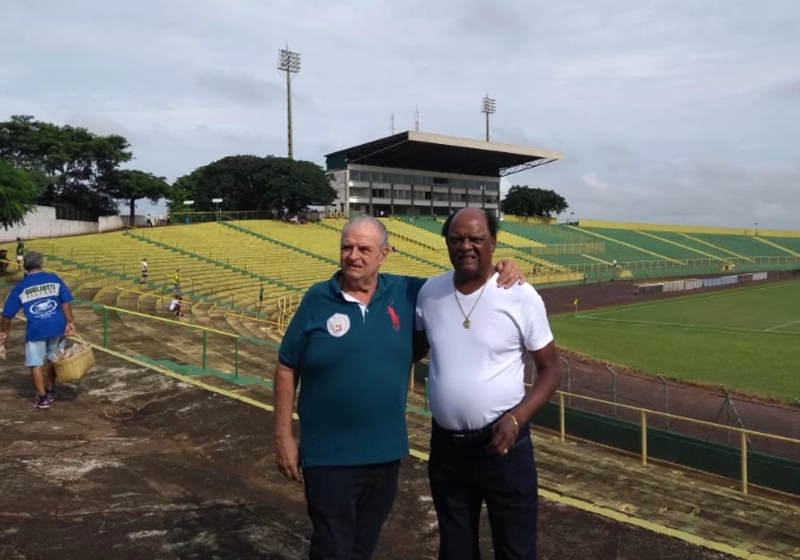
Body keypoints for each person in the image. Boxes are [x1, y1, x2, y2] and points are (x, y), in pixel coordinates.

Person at [274, 216, 523, 560]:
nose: (353, 256)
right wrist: (283, 438)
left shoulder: (408, 292)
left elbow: (462, 279)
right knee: (332, 547)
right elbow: (287, 365)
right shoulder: (318, 297)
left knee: (362, 547)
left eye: (364, 248)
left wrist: (502, 266)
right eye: (347, 247)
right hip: (328, 457)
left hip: (384, 456)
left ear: (384, 254)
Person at [415, 208, 563, 560]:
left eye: (476, 239)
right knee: (455, 551)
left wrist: (517, 419)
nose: (466, 246)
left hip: (504, 447)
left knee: (515, 551)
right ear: (447, 244)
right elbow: (411, 346)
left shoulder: (520, 295)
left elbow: (551, 370)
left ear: (493, 244)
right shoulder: (429, 293)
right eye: (457, 239)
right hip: (447, 451)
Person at [0, 252, 76, 410]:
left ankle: (42, 398)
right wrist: (69, 322)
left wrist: (4, 332)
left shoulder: (21, 287)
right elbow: (65, 303)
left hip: (36, 328)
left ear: (25, 267)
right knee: (53, 359)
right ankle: (50, 389)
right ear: (41, 264)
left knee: (35, 363)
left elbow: (7, 314)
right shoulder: (54, 279)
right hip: (57, 325)